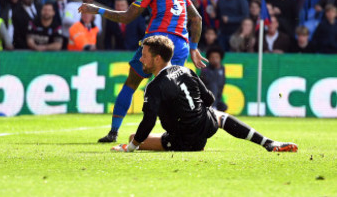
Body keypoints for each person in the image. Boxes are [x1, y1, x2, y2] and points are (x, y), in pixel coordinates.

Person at [79, 0, 207, 143]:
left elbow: (126, 17)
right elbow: (197, 19)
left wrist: (97, 9)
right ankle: (182, 132)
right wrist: (194, 48)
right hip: (180, 46)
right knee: (171, 91)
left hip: (157, 41)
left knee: (132, 83)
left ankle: (114, 132)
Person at [111, 35, 297, 153]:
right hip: (205, 127)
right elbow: (209, 99)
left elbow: (148, 122)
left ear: (157, 59)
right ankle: (267, 143)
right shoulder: (187, 71)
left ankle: (134, 145)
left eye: (144, 55)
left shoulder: (154, 87)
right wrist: (194, 114)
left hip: (182, 141)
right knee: (220, 117)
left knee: (132, 138)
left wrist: (132, 147)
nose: (141, 59)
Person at [200, 45, 227, 111]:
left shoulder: (222, 69)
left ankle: (214, 108)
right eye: (212, 57)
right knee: (213, 85)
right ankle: (213, 109)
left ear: (220, 58)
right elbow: (207, 82)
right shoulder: (205, 69)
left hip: (217, 99)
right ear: (208, 59)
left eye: (216, 57)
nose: (214, 59)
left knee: (224, 106)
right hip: (206, 99)